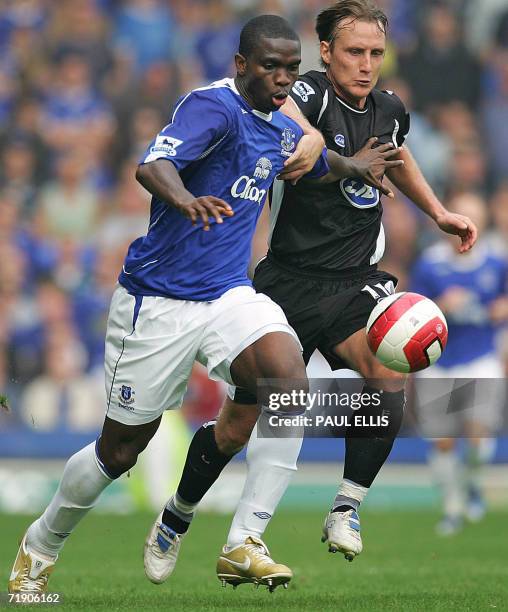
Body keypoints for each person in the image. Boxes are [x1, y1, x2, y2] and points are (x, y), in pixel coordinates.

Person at [8, 14, 400, 595]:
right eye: (270, 66)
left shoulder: (278, 128)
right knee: (119, 452)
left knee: (286, 378)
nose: (283, 78)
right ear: (241, 64)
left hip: (227, 295)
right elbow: (152, 165)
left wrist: (356, 167)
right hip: (157, 304)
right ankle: (39, 547)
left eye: (292, 68)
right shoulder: (212, 107)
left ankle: (244, 541)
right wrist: (187, 198)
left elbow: (319, 164)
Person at [142, 0, 479, 590]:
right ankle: (178, 514)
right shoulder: (303, 97)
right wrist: (338, 157)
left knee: (388, 373)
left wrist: (440, 212)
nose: (367, 64)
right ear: (325, 52)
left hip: (354, 280)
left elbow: (399, 158)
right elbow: (294, 147)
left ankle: (346, 506)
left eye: (376, 53)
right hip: (289, 282)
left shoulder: (389, 108)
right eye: (354, 52)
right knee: (239, 423)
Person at [411, 193, 507, 536]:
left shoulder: (496, 262)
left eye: (473, 217)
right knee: (443, 441)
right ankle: (452, 508)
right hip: (439, 362)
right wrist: (438, 305)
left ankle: (474, 483)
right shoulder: (429, 265)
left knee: (479, 438)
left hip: (480, 358)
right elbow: (409, 313)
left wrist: (501, 308)